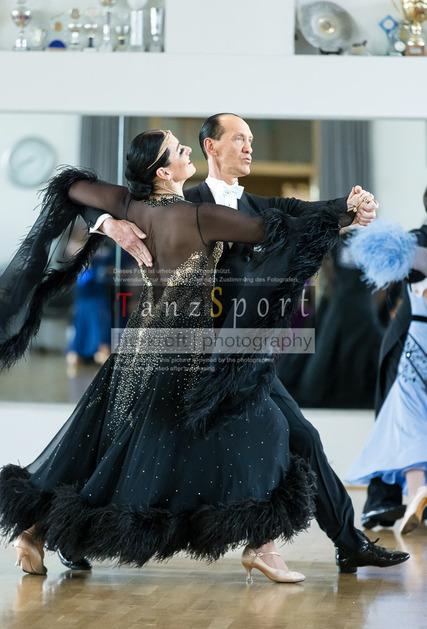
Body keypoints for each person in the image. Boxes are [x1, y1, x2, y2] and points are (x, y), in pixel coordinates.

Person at [0, 128, 362, 582]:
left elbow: (72, 186)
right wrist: (344, 214)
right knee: (263, 427)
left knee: (108, 447)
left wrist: (108, 222)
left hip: (137, 349)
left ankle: (36, 531)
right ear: (164, 172)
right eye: (178, 149)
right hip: (181, 355)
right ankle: (262, 544)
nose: (187, 149)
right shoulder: (199, 216)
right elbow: (275, 229)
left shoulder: (132, 206)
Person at [89, 113, 409, 575]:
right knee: (134, 449)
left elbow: (305, 213)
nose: (248, 147)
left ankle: (343, 541)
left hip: (244, 354)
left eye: (251, 139)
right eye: (239, 138)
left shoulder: (261, 206)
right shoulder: (179, 203)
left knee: (301, 437)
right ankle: (66, 531)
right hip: (185, 358)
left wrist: (351, 207)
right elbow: (89, 198)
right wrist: (107, 224)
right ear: (211, 147)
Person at [346, 221, 427, 535]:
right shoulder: (414, 246)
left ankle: (413, 492)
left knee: (406, 420)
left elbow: (374, 259)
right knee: (408, 419)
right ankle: (399, 498)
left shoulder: (412, 248)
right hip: (413, 340)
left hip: (416, 343)